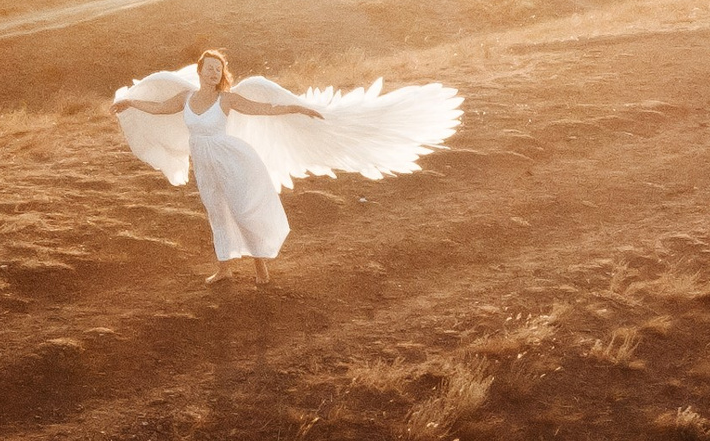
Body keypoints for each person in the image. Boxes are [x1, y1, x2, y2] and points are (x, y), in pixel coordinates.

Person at [111, 47, 464, 286]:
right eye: (208, 68)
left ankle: (260, 265)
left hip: (231, 158)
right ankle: (223, 270)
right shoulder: (185, 98)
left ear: (221, 75)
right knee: (216, 212)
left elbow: (264, 110)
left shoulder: (229, 99)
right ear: (200, 70)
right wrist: (130, 103)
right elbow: (159, 110)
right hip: (204, 161)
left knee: (241, 209)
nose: (212, 72)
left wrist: (297, 108)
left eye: (218, 69)